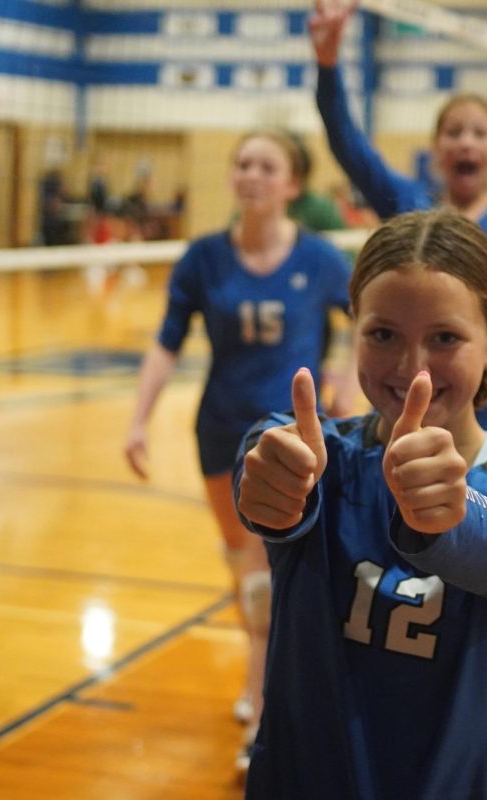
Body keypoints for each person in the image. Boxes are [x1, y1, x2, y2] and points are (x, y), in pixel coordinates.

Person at [233, 209, 487, 798]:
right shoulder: (311, 457)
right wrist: (272, 488)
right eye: (384, 334)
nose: (412, 369)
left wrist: (456, 517)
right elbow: (260, 470)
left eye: (445, 338)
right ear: (354, 327)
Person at [122, 129, 354, 773]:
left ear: (292, 185)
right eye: (243, 163)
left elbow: (364, 321)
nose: (252, 175)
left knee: (269, 574)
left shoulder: (321, 259)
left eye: (266, 166)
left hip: (294, 437)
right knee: (244, 565)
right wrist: (139, 419)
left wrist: (346, 380)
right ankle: (264, 674)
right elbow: (167, 341)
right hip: (222, 432)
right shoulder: (202, 258)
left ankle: (264, 708)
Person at [308, 0, 487, 458]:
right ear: (436, 150)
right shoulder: (410, 208)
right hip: (412, 403)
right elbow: (353, 152)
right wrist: (327, 65)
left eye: (479, 134)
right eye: (454, 132)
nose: (466, 141)